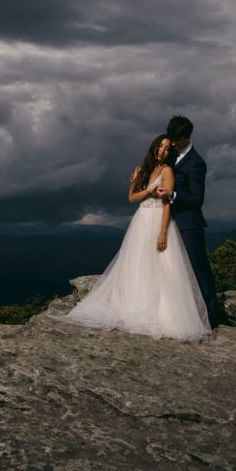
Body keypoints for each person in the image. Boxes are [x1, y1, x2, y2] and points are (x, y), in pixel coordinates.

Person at [55, 134, 211, 341]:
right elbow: (132, 198)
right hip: (141, 220)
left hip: (157, 220)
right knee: (138, 264)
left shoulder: (167, 170)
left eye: (166, 148)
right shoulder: (144, 169)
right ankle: (135, 303)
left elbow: (167, 204)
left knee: (161, 266)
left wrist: (163, 232)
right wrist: (140, 184)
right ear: (154, 147)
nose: (162, 151)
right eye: (159, 147)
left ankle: (162, 313)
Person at [156, 114, 218, 325]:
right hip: (170, 222)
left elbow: (197, 198)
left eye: (176, 139)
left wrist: (172, 196)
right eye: (171, 138)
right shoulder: (172, 155)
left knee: (198, 269)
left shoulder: (196, 163)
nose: (172, 142)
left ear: (188, 137)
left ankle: (211, 315)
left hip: (189, 224)